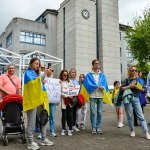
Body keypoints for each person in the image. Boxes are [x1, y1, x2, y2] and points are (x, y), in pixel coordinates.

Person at [23, 58, 53, 150]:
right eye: (36, 63)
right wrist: (43, 75)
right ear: (31, 64)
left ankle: (44, 139)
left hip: (41, 98)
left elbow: (41, 84)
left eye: (38, 64)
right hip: (32, 100)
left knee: (43, 118)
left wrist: (45, 76)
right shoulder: (28, 73)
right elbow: (33, 84)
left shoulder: (37, 74)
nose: (37, 65)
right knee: (31, 121)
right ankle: (30, 142)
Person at [121, 66, 150, 139]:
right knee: (129, 116)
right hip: (128, 98)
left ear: (137, 71)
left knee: (141, 115)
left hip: (136, 98)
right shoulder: (127, 80)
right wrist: (129, 86)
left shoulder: (140, 80)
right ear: (130, 71)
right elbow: (121, 89)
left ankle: (146, 132)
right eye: (132, 70)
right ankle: (132, 130)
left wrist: (139, 88)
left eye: (135, 70)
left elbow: (144, 90)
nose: (134, 71)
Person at [84, 59, 108, 134]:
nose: (97, 65)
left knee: (100, 112)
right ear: (93, 65)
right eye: (96, 63)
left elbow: (105, 84)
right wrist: (92, 87)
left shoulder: (102, 75)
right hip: (92, 95)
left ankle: (98, 127)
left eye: (98, 63)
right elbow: (86, 84)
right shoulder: (89, 74)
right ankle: (93, 127)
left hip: (100, 95)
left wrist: (103, 87)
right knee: (93, 112)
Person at [60, 69, 73, 136]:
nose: (65, 76)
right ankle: (63, 129)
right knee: (64, 116)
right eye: (64, 75)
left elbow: (72, 90)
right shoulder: (60, 82)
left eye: (67, 75)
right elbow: (59, 91)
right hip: (63, 100)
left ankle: (70, 129)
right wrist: (65, 95)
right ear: (62, 75)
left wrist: (71, 95)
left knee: (70, 115)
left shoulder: (70, 82)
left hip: (70, 101)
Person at [44, 67, 57, 137]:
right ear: (47, 70)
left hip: (52, 101)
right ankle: (42, 132)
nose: (51, 71)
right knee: (44, 116)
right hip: (45, 101)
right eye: (50, 70)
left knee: (52, 116)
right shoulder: (43, 79)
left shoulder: (55, 80)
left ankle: (52, 131)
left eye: (52, 70)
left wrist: (60, 84)